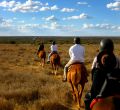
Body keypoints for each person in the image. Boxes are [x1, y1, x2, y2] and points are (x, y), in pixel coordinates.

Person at [84, 38, 120, 110]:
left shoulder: (96, 59)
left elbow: (93, 72)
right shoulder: (117, 59)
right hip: (115, 88)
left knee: (87, 98)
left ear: (101, 48)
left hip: (99, 88)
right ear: (112, 48)